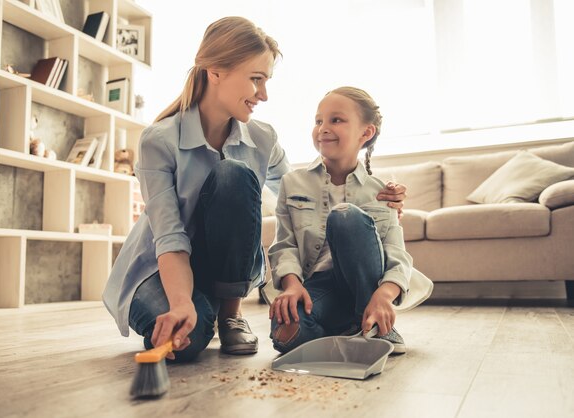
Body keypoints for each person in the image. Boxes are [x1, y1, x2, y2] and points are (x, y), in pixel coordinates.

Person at [102, 17, 407, 362]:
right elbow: (169, 235)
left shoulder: (263, 139)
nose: (263, 95)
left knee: (234, 175)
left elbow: (303, 194)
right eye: (256, 80)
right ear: (216, 71)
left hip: (221, 275)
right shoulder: (159, 140)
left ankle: (231, 313)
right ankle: (198, 313)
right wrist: (182, 302)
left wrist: (376, 200)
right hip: (160, 270)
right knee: (193, 338)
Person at [269, 86, 424, 355]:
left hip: (365, 286)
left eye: (336, 120)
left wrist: (383, 296)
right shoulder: (292, 182)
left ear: (365, 133)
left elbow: (397, 255)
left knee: (344, 215)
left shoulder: (382, 191)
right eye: (318, 121)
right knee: (285, 333)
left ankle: (372, 318)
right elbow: (284, 245)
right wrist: (292, 285)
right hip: (318, 285)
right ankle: (350, 328)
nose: (323, 128)